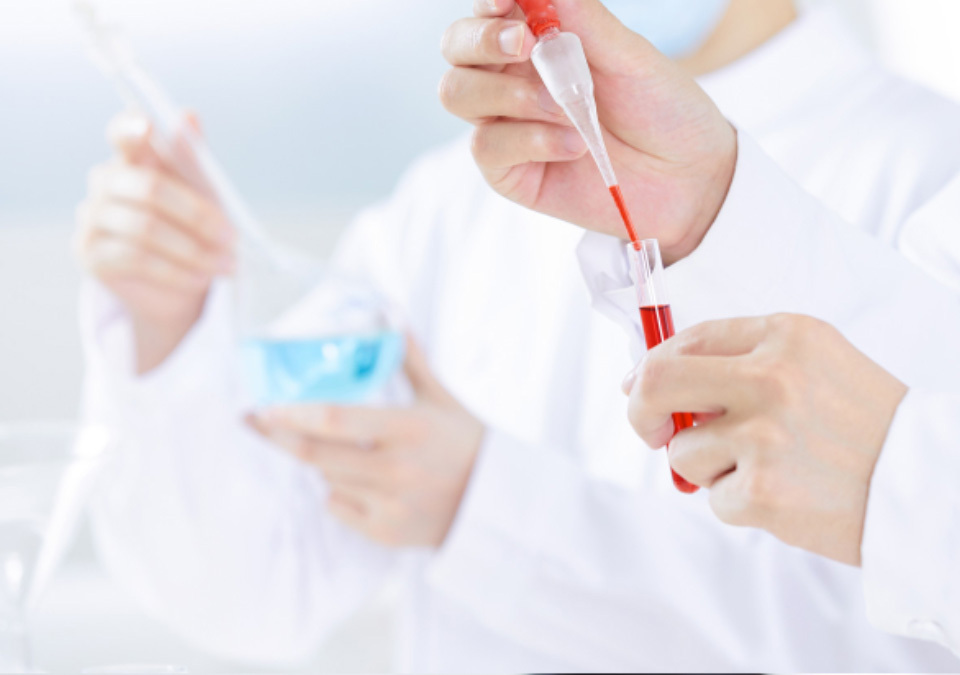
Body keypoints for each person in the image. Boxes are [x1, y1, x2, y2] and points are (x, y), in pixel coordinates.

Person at [76, 1, 960, 672]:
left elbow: (892, 634)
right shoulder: (448, 205)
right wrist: (166, 327)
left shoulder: (926, 168)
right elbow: (253, 582)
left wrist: (485, 506)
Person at [450, 0, 960, 658]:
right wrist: (704, 212)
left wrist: (900, 468)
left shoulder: (923, 150)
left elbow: (851, 625)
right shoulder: (468, 188)